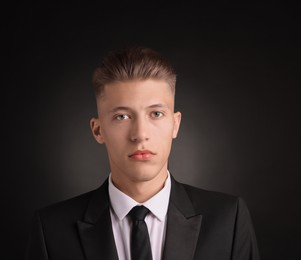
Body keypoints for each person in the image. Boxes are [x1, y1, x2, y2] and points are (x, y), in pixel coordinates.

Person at [25, 46, 260, 260]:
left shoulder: (229, 220)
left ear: (175, 124)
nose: (140, 134)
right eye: (122, 116)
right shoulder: (51, 230)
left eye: (156, 114)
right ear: (98, 130)